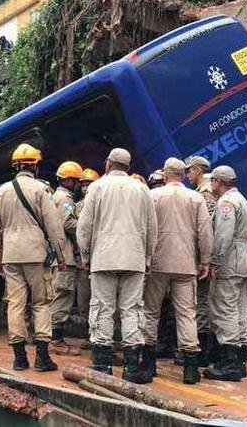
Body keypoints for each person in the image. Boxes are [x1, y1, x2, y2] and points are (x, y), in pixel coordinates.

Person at [77, 148, 157, 384]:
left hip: (103, 258)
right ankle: (132, 367)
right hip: (134, 258)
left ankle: (103, 365)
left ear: (108, 163)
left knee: (102, 307)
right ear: (128, 166)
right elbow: (152, 228)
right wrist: (148, 258)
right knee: (132, 309)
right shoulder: (142, 190)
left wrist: (86, 256)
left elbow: (84, 227)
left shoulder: (97, 188)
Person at [0, 143, 66, 371]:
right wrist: (61, 257)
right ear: (35, 166)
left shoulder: (1, 192)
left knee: (15, 304)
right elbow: (54, 227)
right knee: (41, 303)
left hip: (11, 256)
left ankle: (19, 357)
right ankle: (42, 357)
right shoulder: (41, 190)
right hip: (36, 254)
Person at [142, 158, 212, 384]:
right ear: (183, 175)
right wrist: (205, 261)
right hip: (185, 264)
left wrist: (145, 258)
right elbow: (205, 232)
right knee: (186, 313)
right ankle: (190, 368)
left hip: (158, 263)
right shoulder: (196, 198)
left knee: (151, 312)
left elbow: (146, 230)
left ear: (165, 175)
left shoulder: (153, 196)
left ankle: (148, 365)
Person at [204, 166, 247, 382]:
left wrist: (214, 260)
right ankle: (240, 359)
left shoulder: (226, 203)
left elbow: (223, 235)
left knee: (224, 309)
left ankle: (229, 362)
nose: (211, 185)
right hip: (243, 259)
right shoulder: (241, 199)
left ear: (218, 181)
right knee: (239, 309)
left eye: (212, 181)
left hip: (230, 261)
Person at [185, 155, 218, 365]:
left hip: (202, 256)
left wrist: (203, 259)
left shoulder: (205, 194)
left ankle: (203, 352)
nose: (188, 175)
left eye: (189, 170)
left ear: (198, 170)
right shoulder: (202, 192)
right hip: (203, 255)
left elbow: (206, 229)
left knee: (202, 302)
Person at [49, 161, 84, 356]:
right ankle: (55, 339)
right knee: (62, 295)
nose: (79, 185)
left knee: (60, 294)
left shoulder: (59, 195)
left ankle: (53, 337)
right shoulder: (64, 198)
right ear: (69, 180)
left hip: (61, 254)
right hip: (65, 255)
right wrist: (86, 226)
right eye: (77, 181)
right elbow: (67, 223)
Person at [74, 168, 99, 338]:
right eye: (83, 185)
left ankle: (97, 335)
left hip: (98, 258)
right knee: (84, 299)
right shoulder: (77, 206)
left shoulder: (100, 202)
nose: (85, 188)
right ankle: (87, 333)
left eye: (88, 184)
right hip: (82, 260)